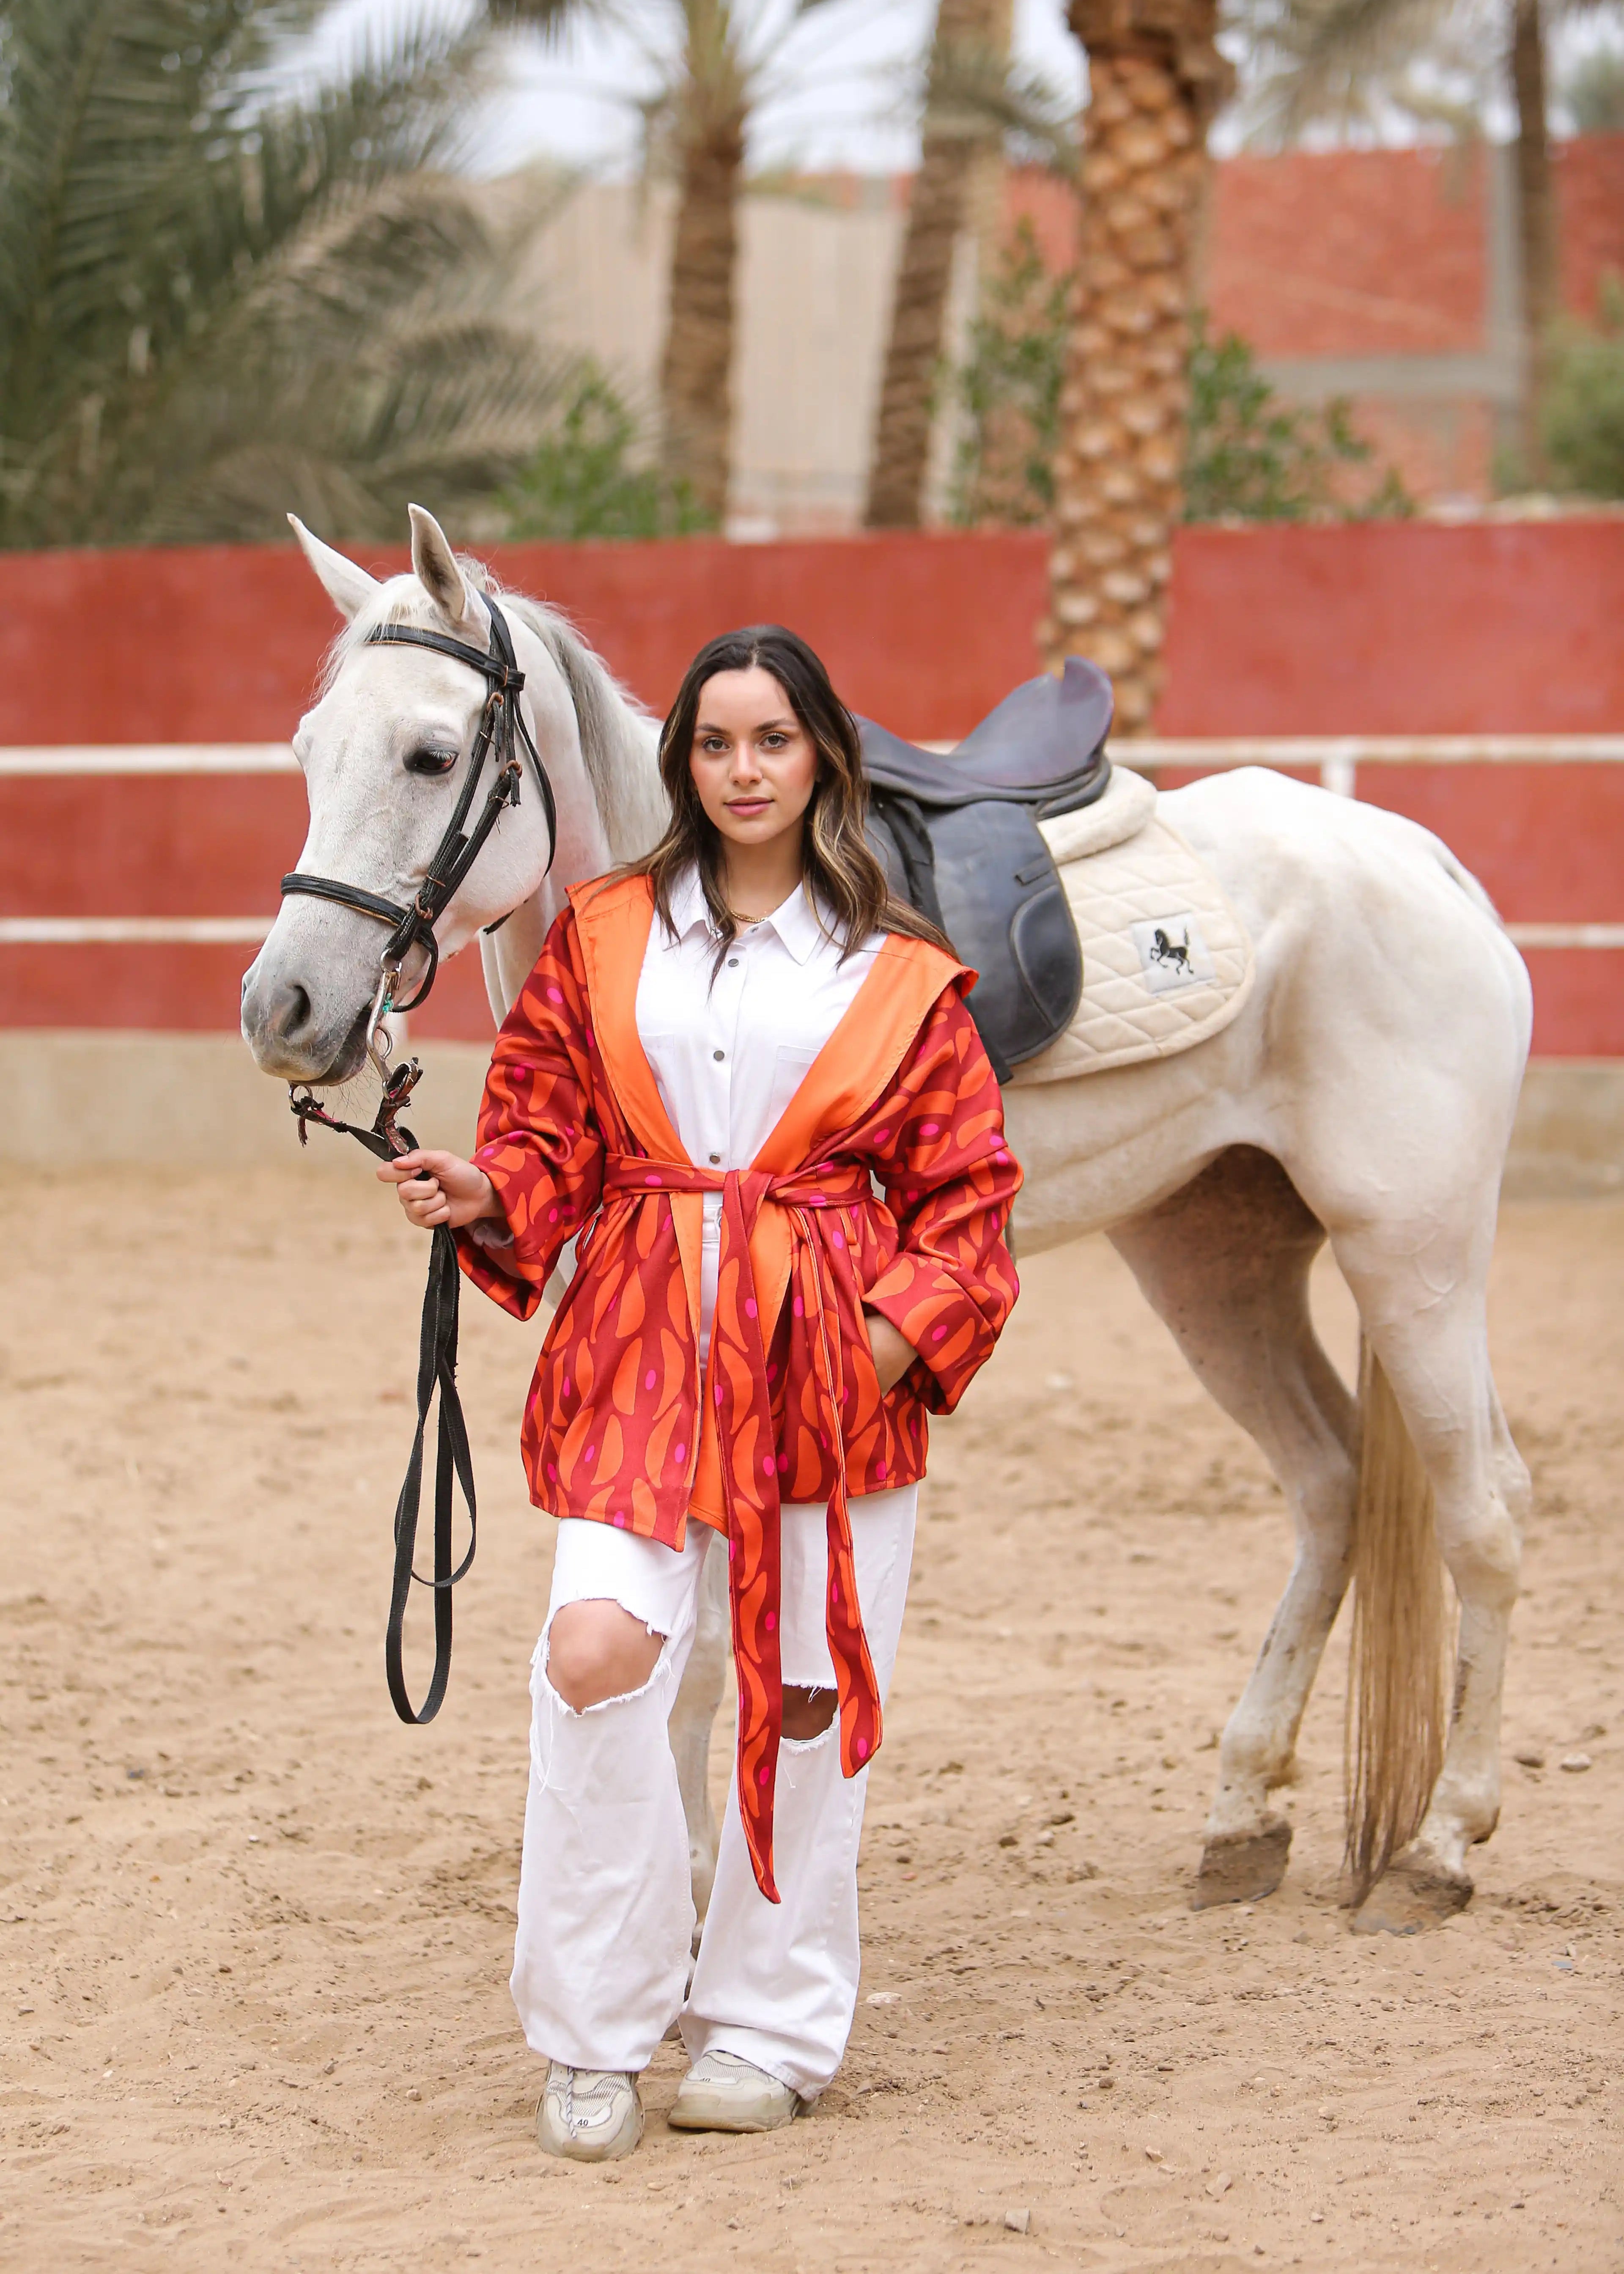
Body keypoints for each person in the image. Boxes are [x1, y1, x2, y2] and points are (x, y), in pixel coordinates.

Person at [379, 625, 1021, 2161]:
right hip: (641, 1352)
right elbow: (545, 1136)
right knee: (597, 1653)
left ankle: (767, 2024)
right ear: (684, 762)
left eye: (774, 743)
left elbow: (971, 1200)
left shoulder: (901, 971)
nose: (744, 771)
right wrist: (483, 1187)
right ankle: (599, 2028)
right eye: (717, 744)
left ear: (822, 761)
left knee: (803, 1701)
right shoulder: (599, 938)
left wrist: (873, 1354)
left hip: (828, 1365)